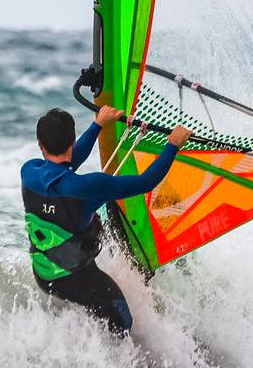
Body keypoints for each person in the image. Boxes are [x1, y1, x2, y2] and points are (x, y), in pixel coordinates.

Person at [20, 105, 190, 335]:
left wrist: (98, 124)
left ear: (40, 144)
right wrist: (173, 145)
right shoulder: (90, 187)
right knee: (122, 320)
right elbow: (145, 182)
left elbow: (65, 165)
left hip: (44, 275)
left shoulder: (29, 172)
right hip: (77, 279)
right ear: (72, 139)